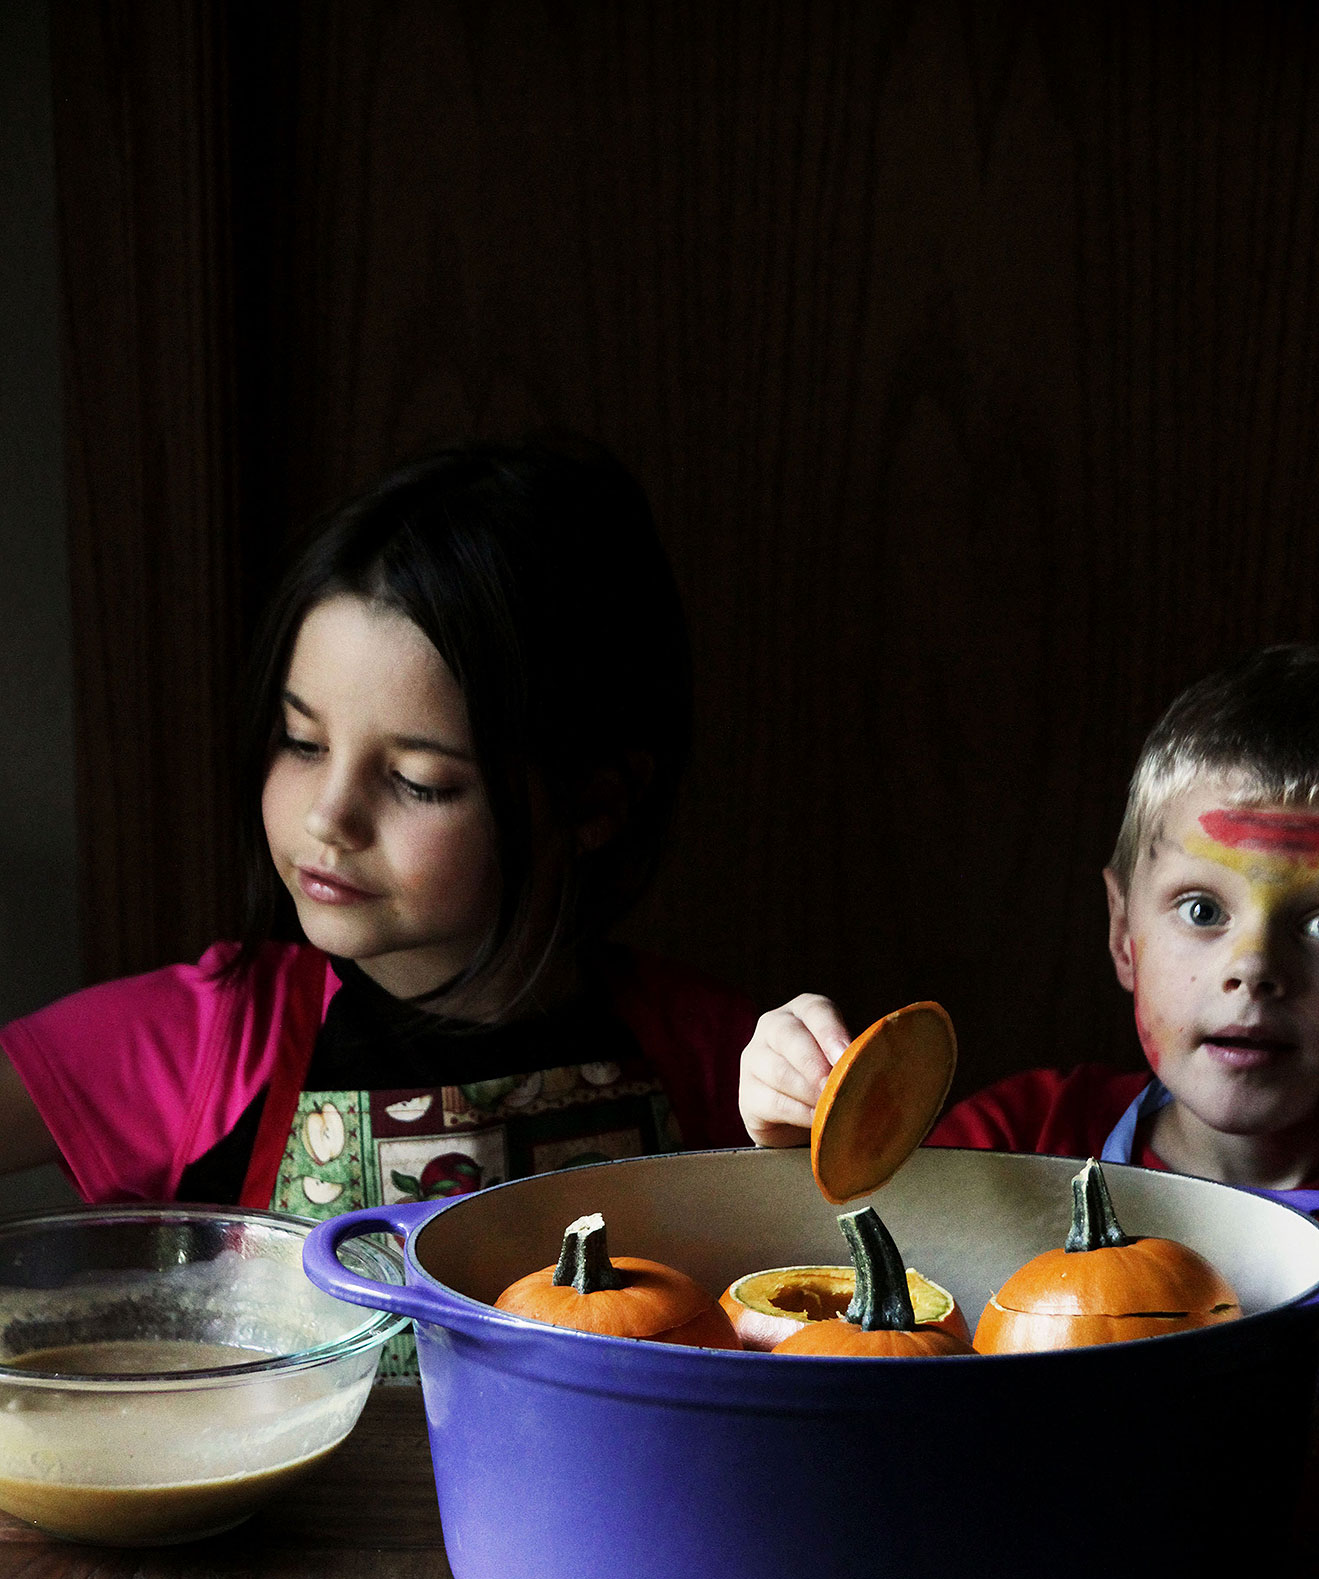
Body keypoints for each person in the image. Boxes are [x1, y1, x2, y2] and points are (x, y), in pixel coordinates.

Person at [0, 441, 755, 1369]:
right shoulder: (202, 1042)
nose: (329, 816)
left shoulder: (723, 1062)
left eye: (417, 780)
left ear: (593, 801)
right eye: (301, 741)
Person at [738, 645, 1319, 1479]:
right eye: (1202, 909)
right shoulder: (1018, 1142)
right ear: (1123, 934)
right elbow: (840, 1349)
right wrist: (797, 1151)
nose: (1252, 967)